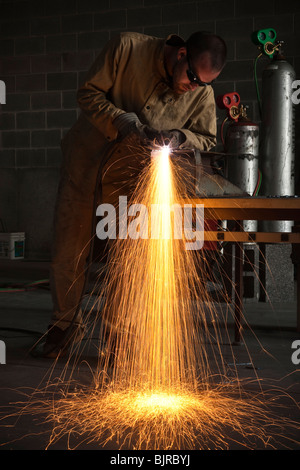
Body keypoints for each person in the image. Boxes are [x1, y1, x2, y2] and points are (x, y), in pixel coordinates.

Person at [39, 30, 227, 358]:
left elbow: (206, 138)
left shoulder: (201, 93)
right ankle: (64, 327)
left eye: (203, 84)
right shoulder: (127, 48)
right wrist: (121, 120)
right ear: (181, 54)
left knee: (130, 258)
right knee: (69, 249)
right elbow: (88, 93)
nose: (193, 87)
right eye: (193, 77)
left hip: (132, 179)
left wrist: (180, 136)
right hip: (85, 164)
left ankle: (119, 337)